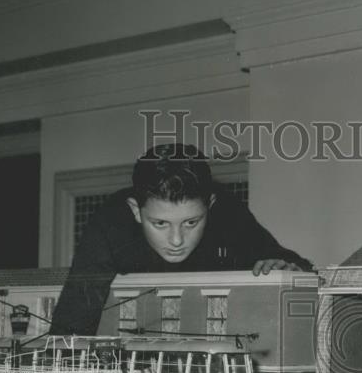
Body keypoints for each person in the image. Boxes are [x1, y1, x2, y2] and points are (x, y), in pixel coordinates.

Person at [50, 142, 312, 335]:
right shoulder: (110, 222)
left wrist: (289, 270)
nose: (176, 240)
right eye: (160, 223)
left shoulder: (228, 213)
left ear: (210, 205)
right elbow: (73, 320)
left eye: (191, 222)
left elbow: (294, 263)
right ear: (135, 211)